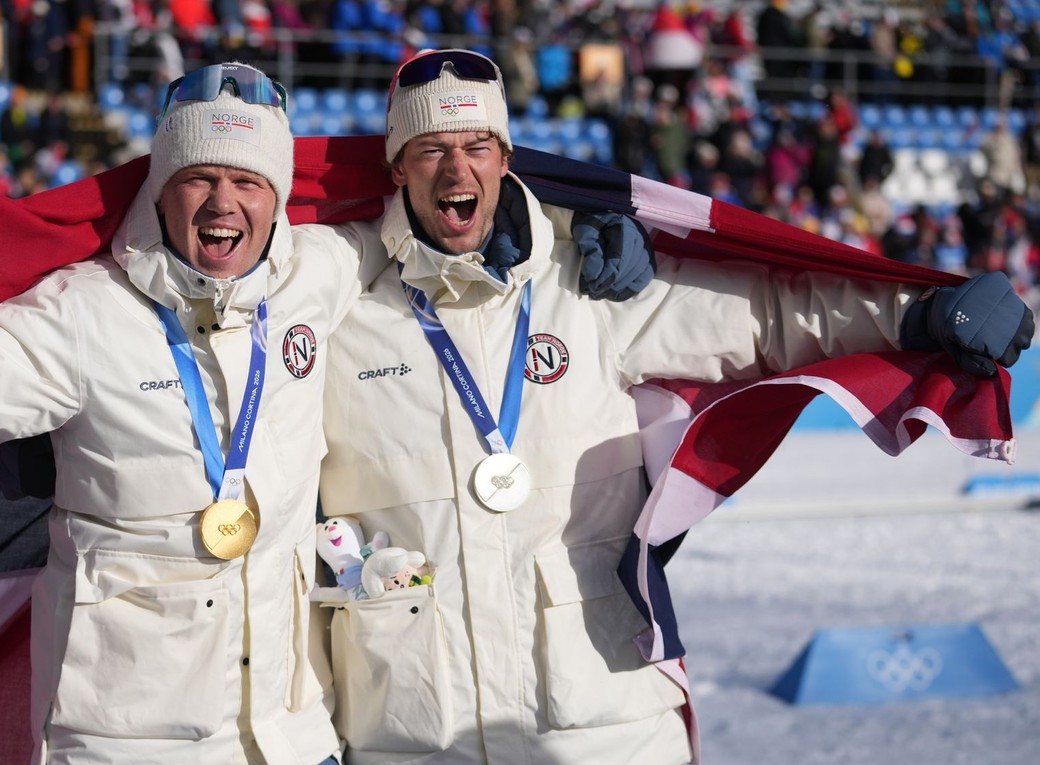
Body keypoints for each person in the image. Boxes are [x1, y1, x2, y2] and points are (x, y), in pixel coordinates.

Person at [315, 49, 1033, 764]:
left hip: (609, 729)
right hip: (411, 740)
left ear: (506, 158)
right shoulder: (336, 316)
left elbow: (763, 315)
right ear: (396, 168)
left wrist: (921, 311)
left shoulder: (589, 289)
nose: (455, 167)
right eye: (429, 148)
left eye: (476, 144)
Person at [0, 63, 380, 765]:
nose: (224, 203)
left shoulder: (318, 273)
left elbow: (427, 223)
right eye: (198, 177)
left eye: (248, 182)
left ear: (278, 198)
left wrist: (548, 221)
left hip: (289, 737)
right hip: (123, 744)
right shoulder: (82, 314)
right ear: (160, 187)